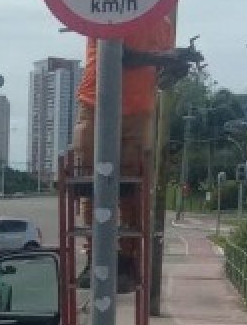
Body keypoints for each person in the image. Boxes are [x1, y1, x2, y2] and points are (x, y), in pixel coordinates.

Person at [74, 15, 199, 292]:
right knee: (92, 186)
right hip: (97, 102)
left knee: (133, 191)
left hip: (139, 109)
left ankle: (128, 260)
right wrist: (166, 58)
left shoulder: (163, 23)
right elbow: (117, 55)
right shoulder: (109, 9)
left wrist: (175, 69)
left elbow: (159, 75)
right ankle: (95, 258)